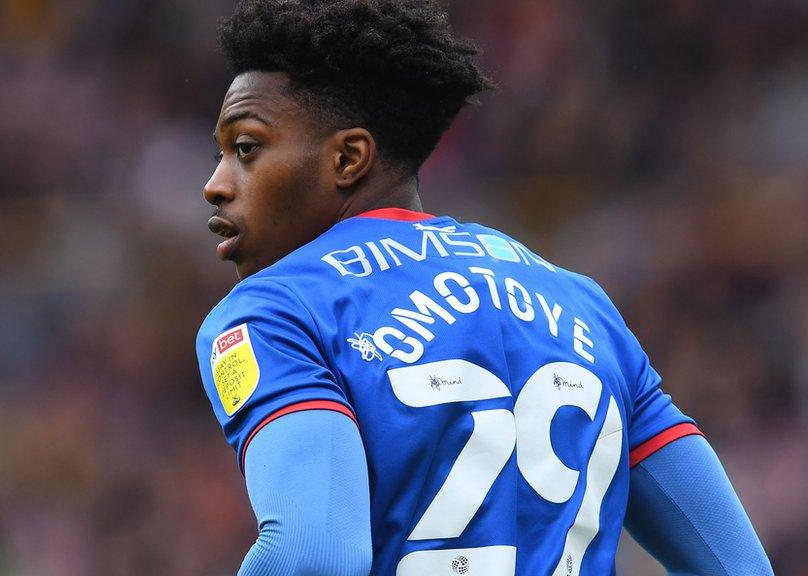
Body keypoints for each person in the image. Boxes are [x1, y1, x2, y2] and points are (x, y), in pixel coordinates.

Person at [195, 1, 774, 574]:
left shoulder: (274, 312)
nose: (215, 185)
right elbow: (740, 566)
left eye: (246, 149)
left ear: (348, 158)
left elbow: (312, 557)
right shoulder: (584, 306)